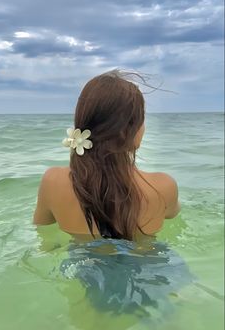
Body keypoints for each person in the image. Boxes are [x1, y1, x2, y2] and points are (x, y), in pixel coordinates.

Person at [33, 69, 180, 240]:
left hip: (84, 264)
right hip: (150, 263)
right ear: (129, 132)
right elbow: (173, 215)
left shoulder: (52, 181)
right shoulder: (163, 187)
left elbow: (43, 232)